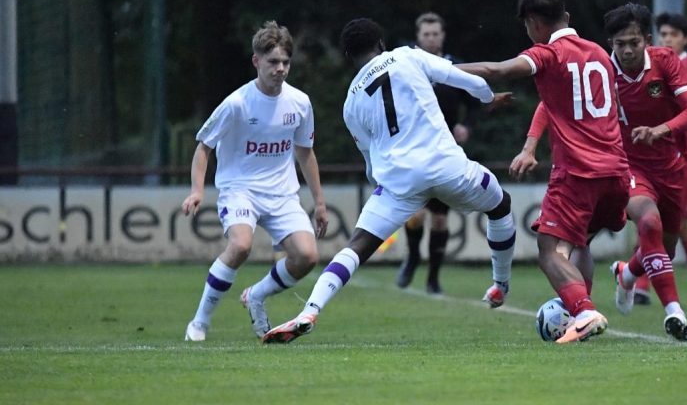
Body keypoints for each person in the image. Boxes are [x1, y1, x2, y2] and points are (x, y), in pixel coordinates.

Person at [261, 18, 516, 344]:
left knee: (357, 246)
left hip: (399, 183)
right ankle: (500, 284)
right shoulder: (407, 55)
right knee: (501, 206)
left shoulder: (350, 102)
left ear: (348, 56)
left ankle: (309, 310)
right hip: (447, 167)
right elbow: (464, 79)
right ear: (380, 44)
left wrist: (386, 184)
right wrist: (487, 98)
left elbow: (369, 161)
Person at [463, 0, 631, 344]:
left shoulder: (547, 55)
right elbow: (554, 102)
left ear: (535, 23)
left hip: (578, 173)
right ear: (566, 16)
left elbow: (497, 70)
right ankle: (578, 309)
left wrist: (432, 70)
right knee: (580, 243)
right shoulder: (600, 54)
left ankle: (584, 311)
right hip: (617, 172)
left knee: (549, 250)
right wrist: (529, 145)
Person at [181, 21, 329, 342]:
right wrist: (196, 190)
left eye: (285, 62)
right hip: (240, 189)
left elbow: (305, 153)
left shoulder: (300, 103)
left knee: (307, 256)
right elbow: (204, 146)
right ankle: (200, 323)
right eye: (273, 62)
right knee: (241, 245)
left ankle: (256, 295)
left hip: (282, 194)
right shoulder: (237, 104)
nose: (280, 69)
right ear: (256, 61)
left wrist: (318, 202)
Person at [592, 5, 687, 339]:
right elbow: (550, 105)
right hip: (626, 165)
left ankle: (627, 274)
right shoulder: (601, 70)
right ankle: (675, 312)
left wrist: (660, 130)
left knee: (664, 250)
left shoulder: (666, 62)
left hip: (671, 166)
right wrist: (530, 144)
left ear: (647, 40)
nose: (626, 50)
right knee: (648, 222)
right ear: (610, 42)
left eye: (633, 42)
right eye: (619, 43)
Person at [625, 12, 687, 306]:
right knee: (649, 221)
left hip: (676, 159)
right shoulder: (650, 64)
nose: (667, 40)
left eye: (673, 35)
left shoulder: (684, 65)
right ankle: (640, 285)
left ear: (685, 39)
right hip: (645, 160)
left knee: (676, 228)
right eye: (663, 35)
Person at [395, 12, 481, 295]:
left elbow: (474, 102)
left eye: (435, 33)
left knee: (441, 219)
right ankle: (412, 257)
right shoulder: (407, 65)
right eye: (426, 34)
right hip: (415, 152)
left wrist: (465, 126)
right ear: (418, 37)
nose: (431, 38)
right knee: (416, 214)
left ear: (442, 35)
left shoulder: (453, 67)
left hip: (446, 153)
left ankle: (433, 277)